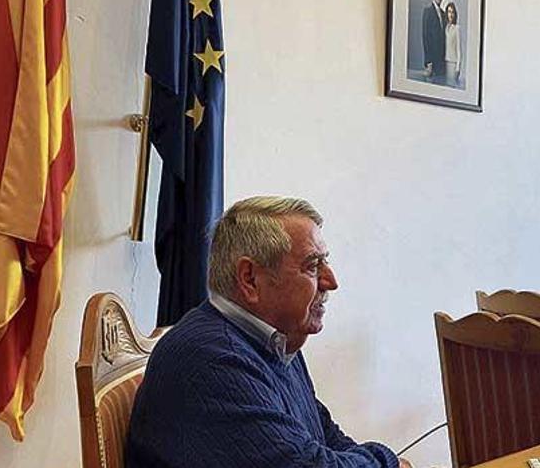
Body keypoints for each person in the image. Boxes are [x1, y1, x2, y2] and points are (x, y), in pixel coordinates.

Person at [126, 196, 412, 468]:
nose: (331, 281)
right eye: (312, 265)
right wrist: (387, 461)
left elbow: (324, 436)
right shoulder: (212, 358)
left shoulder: (275, 340)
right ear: (250, 279)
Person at [422, 0, 446, 84]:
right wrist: (428, 61)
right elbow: (425, 37)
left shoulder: (444, 14)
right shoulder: (427, 11)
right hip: (431, 62)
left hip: (441, 62)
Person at [444, 2, 461, 88]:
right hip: (444, 61)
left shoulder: (457, 28)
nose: (450, 14)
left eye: (452, 12)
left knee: (451, 86)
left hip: (452, 63)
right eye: (449, 12)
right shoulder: (445, 27)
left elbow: (459, 49)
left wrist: (458, 67)